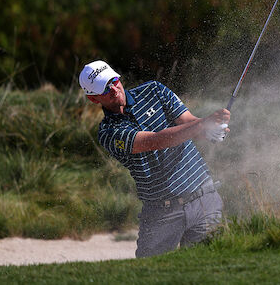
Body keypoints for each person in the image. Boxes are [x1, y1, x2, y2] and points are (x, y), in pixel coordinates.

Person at [78, 60, 230, 258]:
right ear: (93, 98)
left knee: (212, 270)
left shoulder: (154, 90)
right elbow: (155, 141)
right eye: (105, 89)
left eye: (113, 81)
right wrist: (202, 125)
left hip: (204, 199)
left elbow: (189, 123)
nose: (114, 89)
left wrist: (212, 130)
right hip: (161, 213)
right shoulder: (109, 132)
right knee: (149, 273)